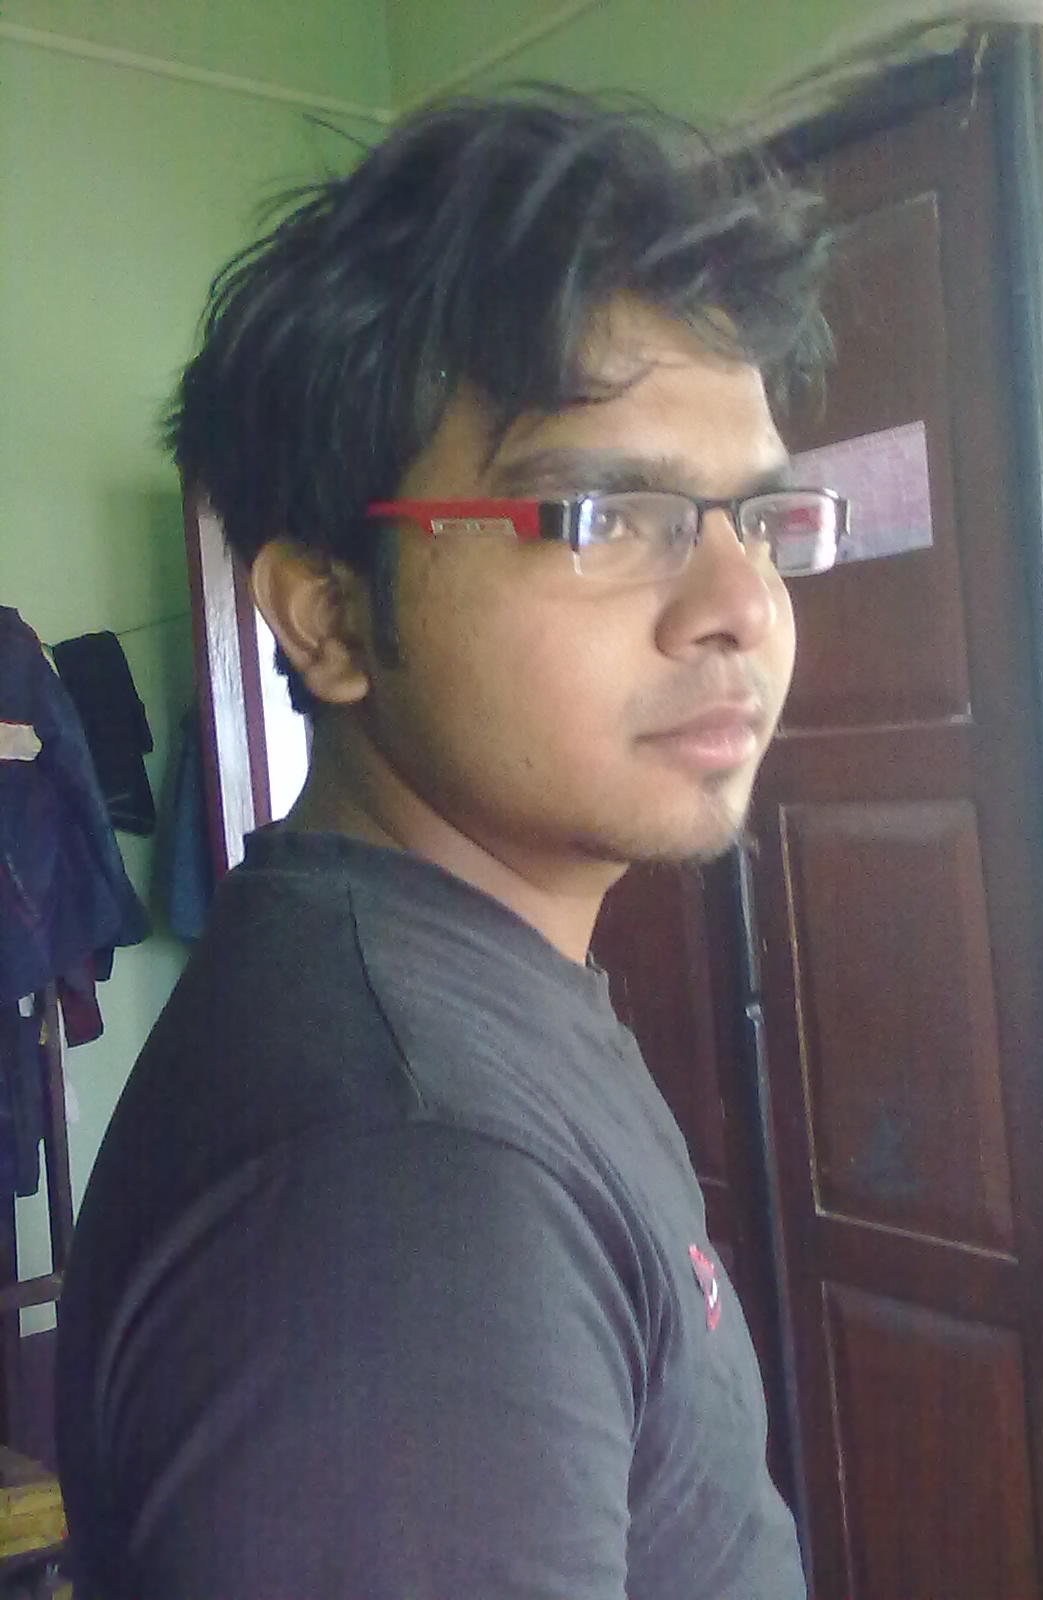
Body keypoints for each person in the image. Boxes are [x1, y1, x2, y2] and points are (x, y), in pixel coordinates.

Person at [56, 89, 841, 1600]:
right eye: (602, 515)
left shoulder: (465, 991)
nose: (743, 607)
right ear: (331, 614)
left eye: (757, 517)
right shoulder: (402, 1184)